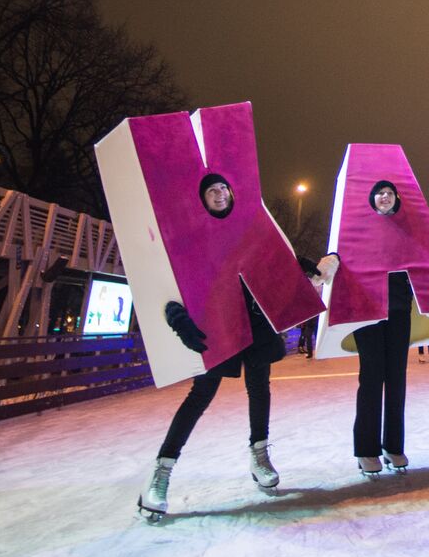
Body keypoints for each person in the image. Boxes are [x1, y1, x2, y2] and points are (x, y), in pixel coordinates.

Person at [138, 175, 337, 520]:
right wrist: (177, 316)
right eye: (211, 191)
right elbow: (174, 280)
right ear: (203, 199)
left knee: (259, 388)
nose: (218, 194)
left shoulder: (249, 228)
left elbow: (276, 258)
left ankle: (259, 455)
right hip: (217, 323)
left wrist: (307, 268)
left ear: (232, 193)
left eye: (223, 189)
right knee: (200, 395)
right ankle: (161, 472)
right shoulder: (192, 238)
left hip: (255, 320)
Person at [350, 180, 414, 476]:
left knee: (397, 379)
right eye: (380, 193)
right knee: (372, 378)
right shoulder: (358, 229)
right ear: (371, 198)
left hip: (399, 310)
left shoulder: (408, 230)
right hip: (368, 310)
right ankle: (366, 449)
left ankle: (394, 445)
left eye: (389, 193)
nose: (385, 197)